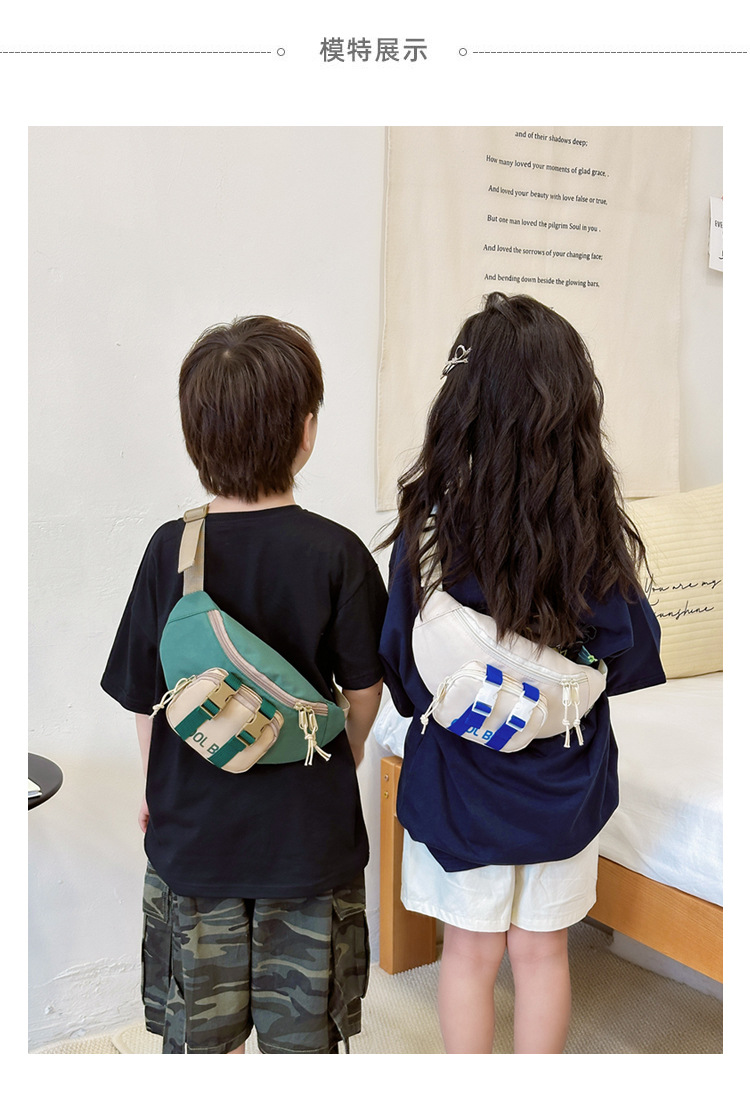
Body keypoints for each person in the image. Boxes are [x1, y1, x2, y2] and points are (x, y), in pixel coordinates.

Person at [378, 291, 666, 1054]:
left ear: (461, 406)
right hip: (561, 788)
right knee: (542, 955)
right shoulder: (588, 531)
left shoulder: (429, 529)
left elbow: (402, 671)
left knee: (469, 956)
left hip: (461, 783)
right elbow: (633, 652)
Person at [101, 315, 387, 1054]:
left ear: (194, 437)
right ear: (307, 431)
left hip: (196, 838)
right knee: (303, 1046)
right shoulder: (339, 553)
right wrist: (345, 754)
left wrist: (156, 786)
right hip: (308, 842)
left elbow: (147, 698)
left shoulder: (170, 550)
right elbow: (364, 692)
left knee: (204, 1048)